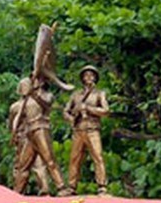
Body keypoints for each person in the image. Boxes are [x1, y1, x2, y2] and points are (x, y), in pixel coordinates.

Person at [11, 75, 70, 195]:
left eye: (37, 80)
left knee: (49, 160)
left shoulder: (46, 95)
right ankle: (17, 193)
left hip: (41, 129)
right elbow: (16, 120)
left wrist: (34, 94)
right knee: (23, 166)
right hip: (29, 133)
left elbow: (45, 105)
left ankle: (61, 187)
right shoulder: (24, 102)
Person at [63, 65, 110, 195]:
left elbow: (106, 111)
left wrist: (89, 109)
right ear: (82, 78)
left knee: (98, 157)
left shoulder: (100, 94)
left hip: (92, 129)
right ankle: (71, 187)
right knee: (74, 158)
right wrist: (71, 118)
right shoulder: (76, 95)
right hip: (78, 130)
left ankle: (102, 186)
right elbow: (65, 111)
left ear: (95, 78)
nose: (89, 77)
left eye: (91, 75)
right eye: (86, 75)